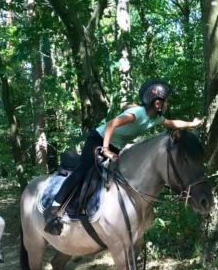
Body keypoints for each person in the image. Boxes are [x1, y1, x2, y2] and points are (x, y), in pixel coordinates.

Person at [44, 78, 203, 235]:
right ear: (157, 103)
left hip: (115, 146)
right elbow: (111, 124)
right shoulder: (137, 114)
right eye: (166, 101)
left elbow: (173, 123)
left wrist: (192, 124)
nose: (167, 104)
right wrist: (105, 148)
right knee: (83, 170)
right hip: (98, 140)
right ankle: (54, 208)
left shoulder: (156, 119)